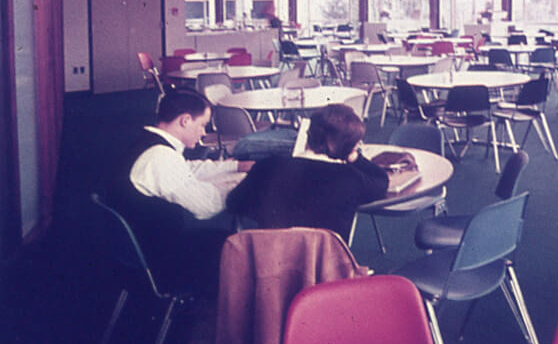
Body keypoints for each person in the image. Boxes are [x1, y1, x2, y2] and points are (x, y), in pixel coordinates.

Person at [104, 87, 252, 293]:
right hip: (160, 258)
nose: (203, 132)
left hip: (140, 245)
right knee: (241, 246)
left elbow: (188, 170)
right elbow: (207, 207)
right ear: (185, 120)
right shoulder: (160, 158)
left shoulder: (150, 144)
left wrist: (235, 167)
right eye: (202, 125)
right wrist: (245, 184)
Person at [226, 104, 388, 240]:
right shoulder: (350, 177)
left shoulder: (269, 164)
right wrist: (354, 157)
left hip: (268, 263)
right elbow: (381, 182)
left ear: (308, 134)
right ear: (349, 148)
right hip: (324, 269)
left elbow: (234, 203)